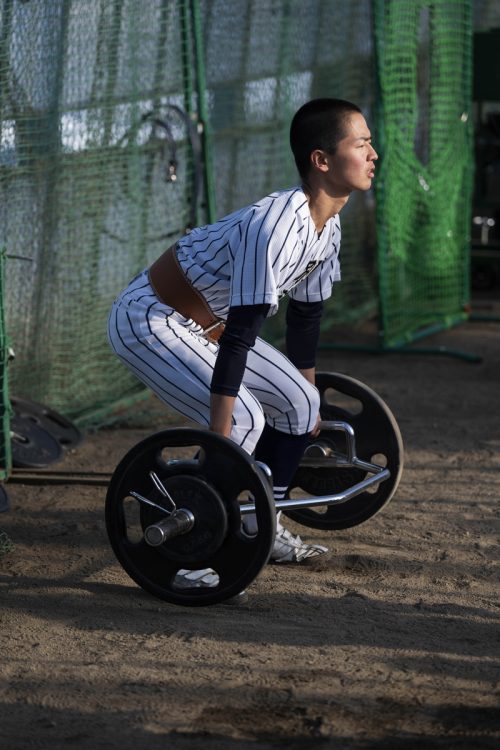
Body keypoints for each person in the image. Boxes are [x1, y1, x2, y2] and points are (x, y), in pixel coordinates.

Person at [108, 98, 378, 590]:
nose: (373, 153)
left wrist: (311, 395)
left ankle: (259, 525)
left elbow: (306, 317)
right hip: (151, 317)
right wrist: (221, 437)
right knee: (246, 418)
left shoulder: (328, 226)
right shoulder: (273, 224)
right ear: (322, 161)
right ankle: (190, 548)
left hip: (209, 325)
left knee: (298, 403)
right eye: (361, 144)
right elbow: (240, 336)